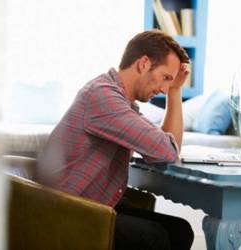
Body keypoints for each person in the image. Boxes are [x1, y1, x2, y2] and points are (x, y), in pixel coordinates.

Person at [37, 29, 194, 250]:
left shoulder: (122, 103)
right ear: (144, 64)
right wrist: (168, 143)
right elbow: (167, 151)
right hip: (68, 211)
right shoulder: (103, 97)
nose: (164, 88)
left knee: (179, 231)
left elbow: (168, 148)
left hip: (94, 204)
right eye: (165, 78)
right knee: (153, 237)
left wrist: (175, 91)